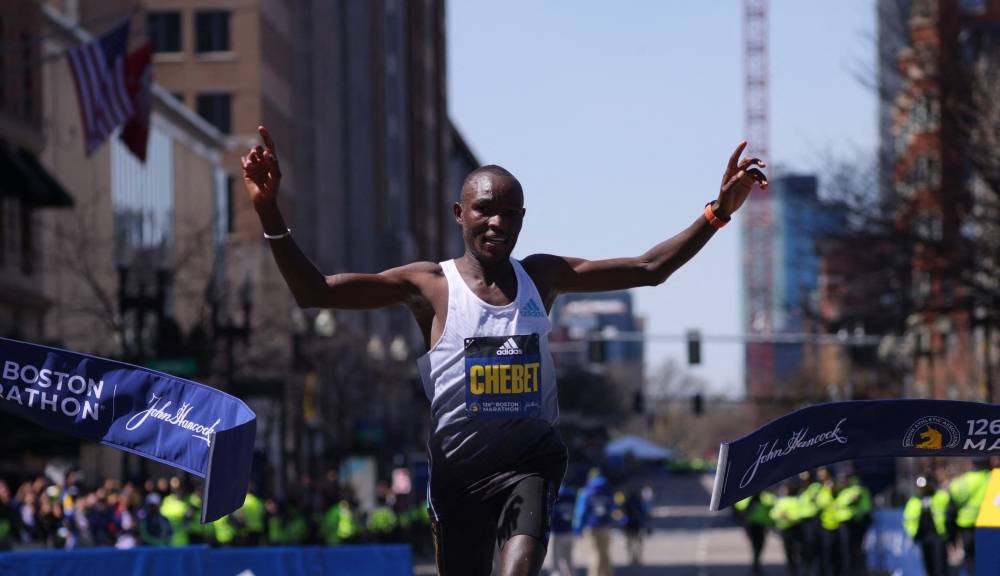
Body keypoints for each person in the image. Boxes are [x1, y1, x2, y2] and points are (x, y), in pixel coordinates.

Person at [241, 127, 767, 576]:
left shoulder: (543, 276)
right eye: (484, 211)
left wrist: (718, 211)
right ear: (459, 213)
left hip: (529, 465)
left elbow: (649, 269)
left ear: (522, 218)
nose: (497, 224)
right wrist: (269, 210)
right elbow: (316, 293)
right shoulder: (430, 285)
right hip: (457, 475)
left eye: (509, 214)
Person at [949, 458, 992, 576]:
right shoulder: (994, 478)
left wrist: (951, 537)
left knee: (971, 562)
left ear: (971, 464)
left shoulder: (960, 482)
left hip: (967, 530)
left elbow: (950, 512)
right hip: (991, 528)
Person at [573, 469, 617, 576]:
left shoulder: (586, 491)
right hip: (605, 525)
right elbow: (613, 507)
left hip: (590, 526)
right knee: (605, 554)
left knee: (594, 556)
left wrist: (577, 528)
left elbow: (580, 512)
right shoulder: (607, 490)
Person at [903, 475, 950, 576]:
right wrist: (912, 533)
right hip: (924, 536)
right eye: (920, 487)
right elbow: (908, 519)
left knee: (940, 565)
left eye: (925, 486)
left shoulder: (941, 496)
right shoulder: (914, 501)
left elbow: (949, 513)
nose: (923, 489)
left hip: (938, 535)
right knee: (928, 565)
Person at [735, 491, 774, 575]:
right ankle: (756, 563)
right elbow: (739, 506)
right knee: (754, 545)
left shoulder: (765, 497)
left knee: (760, 545)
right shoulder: (747, 498)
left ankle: (757, 561)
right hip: (751, 526)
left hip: (762, 526)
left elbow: (772, 504)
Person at [549, 484, 577, 576]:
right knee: (568, 561)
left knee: (555, 562)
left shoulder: (556, 497)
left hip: (557, 532)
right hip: (569, 531)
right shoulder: (571, 496)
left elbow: (553, 515)